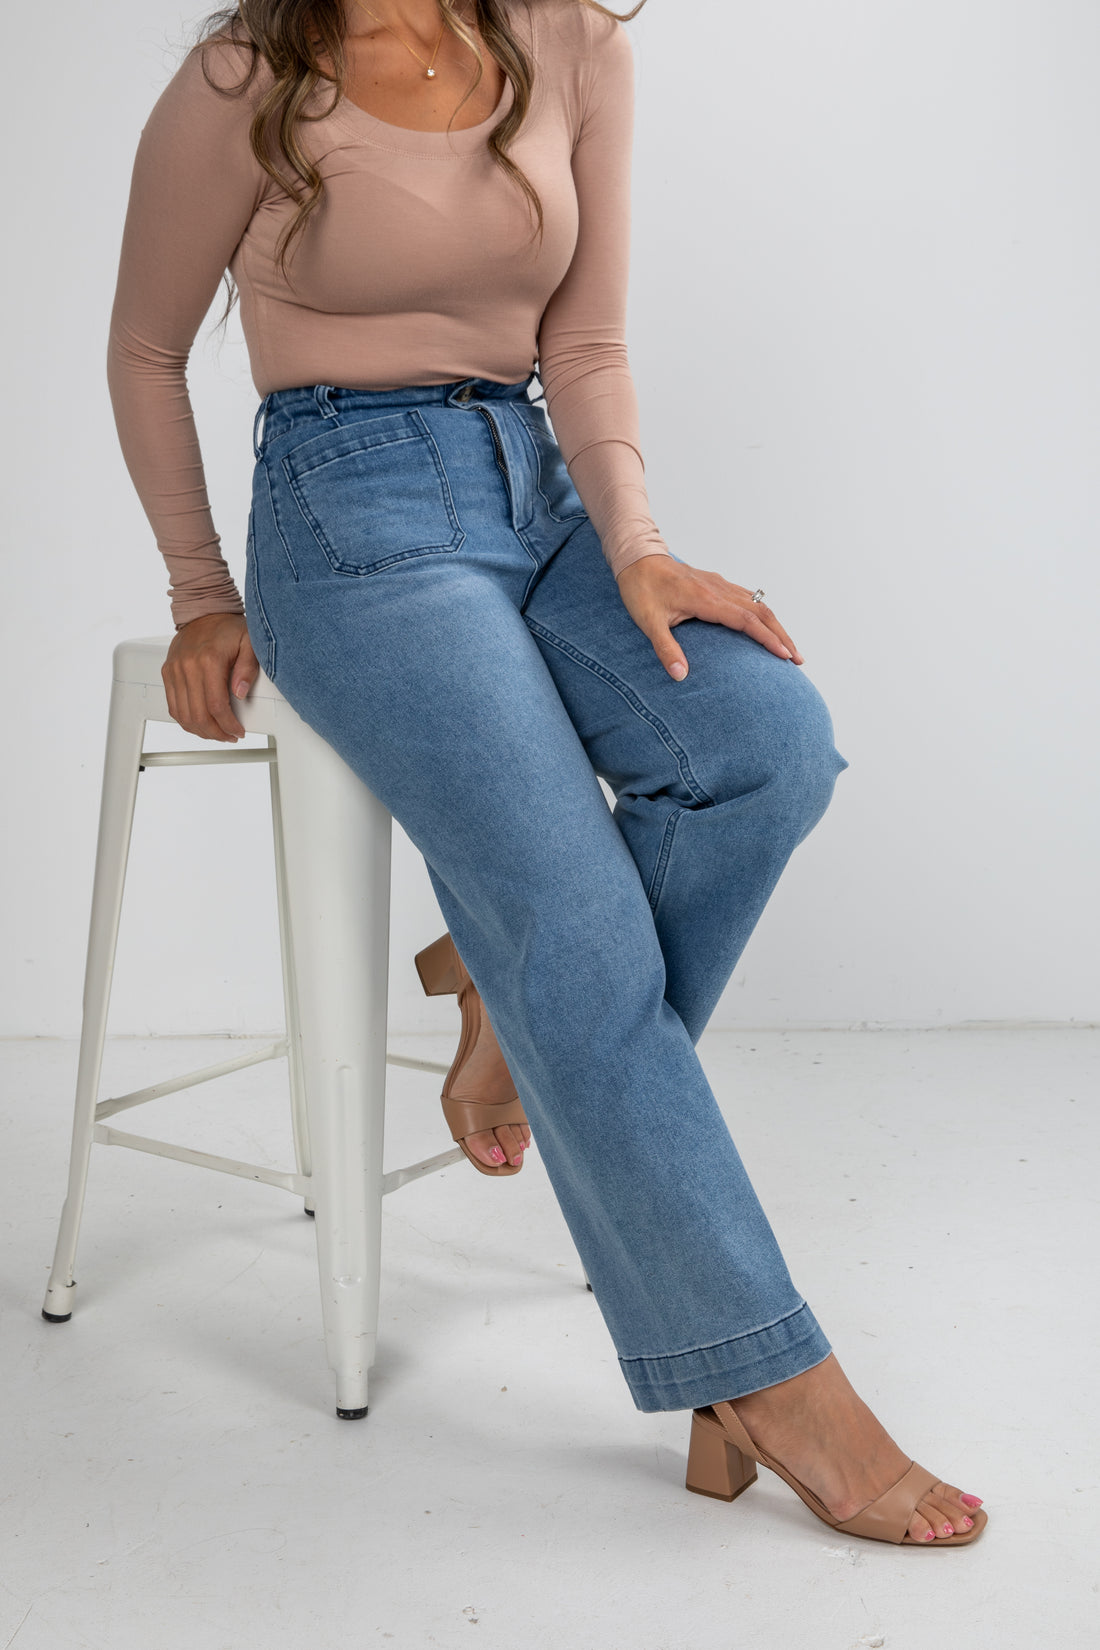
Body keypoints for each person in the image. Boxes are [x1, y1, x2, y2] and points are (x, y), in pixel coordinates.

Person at [105, 0, 988, 1547]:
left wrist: (637, 549)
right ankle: (767, 1378)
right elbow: (143, 346)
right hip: (346, 513)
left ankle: (506, 991)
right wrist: (197, 591)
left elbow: (582, 339)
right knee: (569, 916)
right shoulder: (246, 76)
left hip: (536, 488)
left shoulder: (574, 45)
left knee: (767, 741)